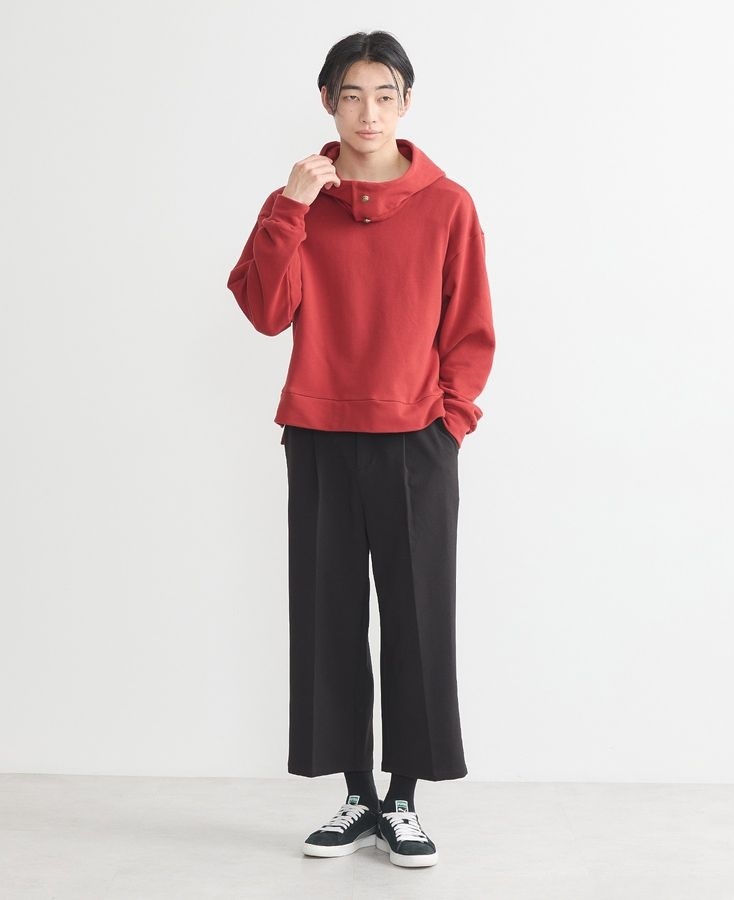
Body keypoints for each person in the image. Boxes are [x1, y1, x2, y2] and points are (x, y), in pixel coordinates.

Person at [226, 30, 495, 869]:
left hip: (416, 440)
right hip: (319, 435)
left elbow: (469, 327)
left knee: (417, 619)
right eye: (351, 95)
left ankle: (404, 801)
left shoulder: (448, 205)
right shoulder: (299, 202)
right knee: (329, 619)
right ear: (327, 102)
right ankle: (356, 796)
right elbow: (265, 312)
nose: (368, 112)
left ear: (406, 103)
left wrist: (450, 422)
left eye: (384, 95)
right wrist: (290, 206)